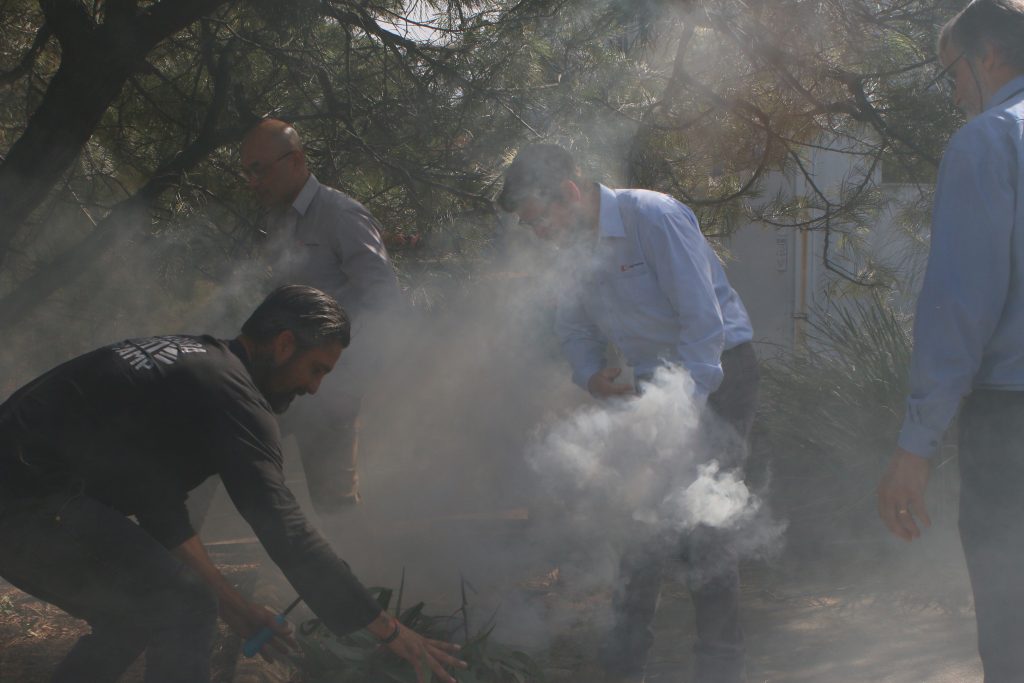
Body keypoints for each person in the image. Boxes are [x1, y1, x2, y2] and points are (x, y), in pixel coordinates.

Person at [0, 285, 464, 683]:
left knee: (134, 615)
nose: (315, 388)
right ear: (285, 345)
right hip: (30, 502)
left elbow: (159, 507)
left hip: (26, 500)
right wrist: (388, 629)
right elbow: (283, 526)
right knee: (183, 606)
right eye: (317, 369)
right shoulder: (234, 396)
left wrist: (235, 606)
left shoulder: (196, 365)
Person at [498, 145, 759, 683]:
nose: (538, 233)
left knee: (704, 526)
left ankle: (720, 671)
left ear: (569, 193)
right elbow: (573, 326)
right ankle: (623, 669)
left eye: (537, 220)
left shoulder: (654, 217)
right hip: (651, 384)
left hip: (717, 374)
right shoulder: (570, 247)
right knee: (640, 525)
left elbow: (703, 322)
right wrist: (590, 373)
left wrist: (681, 413)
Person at [878, 1, 1024, 680]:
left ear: (990, 56)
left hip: (1012, 422)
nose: (956, 92)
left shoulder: (989, 141)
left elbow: (961, 307)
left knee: (1013, 624)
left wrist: (917, 445)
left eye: (954, 73)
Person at [240, 118, 402, 516]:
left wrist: (348, 379)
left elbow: (384, 299)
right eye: (247, 172)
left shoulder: (341, 214)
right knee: (231, 445)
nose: (252, 182)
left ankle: (359, 574)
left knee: (335, 501)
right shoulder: (279, 218)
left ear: (294, 160)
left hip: (328, 385)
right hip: (282, 379)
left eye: (259, 169)